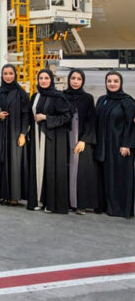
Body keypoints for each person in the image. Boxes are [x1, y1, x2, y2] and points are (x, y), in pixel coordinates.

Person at [27, 69, 72, 214]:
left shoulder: (58, 97)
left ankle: (50, 203)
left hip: (52, 139)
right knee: (37, 168)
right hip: (36, 138)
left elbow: (67, 117)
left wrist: (46, 118)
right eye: (41, 78)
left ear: (51, 80)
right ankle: (38, 200)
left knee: (49, 169)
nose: (43, 81)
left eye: (46, 78)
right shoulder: (35, 96)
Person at [94, 71, 135, 218]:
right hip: (104, 146)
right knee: (106, 177)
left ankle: (120, 208)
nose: (112, 84)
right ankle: (106, 205)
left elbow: (131, 124)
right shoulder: (102, 100)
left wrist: (127, 144)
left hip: (119, 146)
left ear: (120, 83)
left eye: (115, 81)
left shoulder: (127, 101)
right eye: (109, 81)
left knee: (119, 178)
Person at [0, 64, 31, 206]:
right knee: (1, 162)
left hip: (15, 133)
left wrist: (23, 134)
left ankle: (15, 196)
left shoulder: (21, 93)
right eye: (5, 74)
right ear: (2, 75)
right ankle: (3, 195)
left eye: (11, 73)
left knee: (15, 163)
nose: (8, 76)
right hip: (0, 132)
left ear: (15, 75)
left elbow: (26, 115)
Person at [63, 69, 99, 215]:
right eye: (73, 78)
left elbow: (91, 121)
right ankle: (66, 202)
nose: (76, 81)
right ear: (69, 80)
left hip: (82, 140)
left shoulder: (88, 98)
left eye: (78, 79)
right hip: (65, 139)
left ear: (82, 81)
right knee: (65, 170)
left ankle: (81, 204)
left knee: (82, 172)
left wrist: (84, 140)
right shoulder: (63, 96)